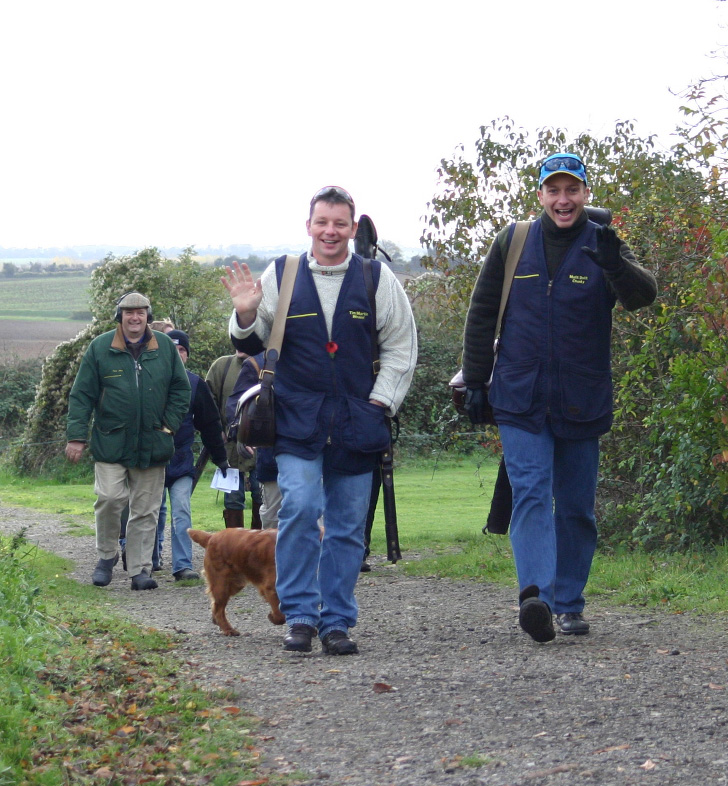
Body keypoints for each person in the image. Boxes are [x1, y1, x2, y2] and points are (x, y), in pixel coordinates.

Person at [462, 153, 657, 642]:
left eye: (572, 190)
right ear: (541, 195)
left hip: (581, 396)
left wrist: (616, 265)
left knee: (575, 508)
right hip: (519, 395)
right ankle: (537, 599)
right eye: (554, 190)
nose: (563, 200)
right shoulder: (512, 242)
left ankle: (569, 603)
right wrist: (476, 382)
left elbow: (642, 296)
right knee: (530, 493)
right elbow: (482, 313)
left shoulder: (603, 242)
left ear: (586, 194)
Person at [221, 185, 417, 655]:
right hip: (295, 420)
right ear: (308, 225)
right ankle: (300, 616)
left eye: (339, 223)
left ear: (353, 228)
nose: (330, 231)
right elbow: (250, 342)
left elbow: (401, 346)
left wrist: (380, 402)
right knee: (302, 508)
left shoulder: (376, 279)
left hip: (359, 419)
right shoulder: (282, 274)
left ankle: (337, 621)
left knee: (348, 526)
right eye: (322, 222)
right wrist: (244, 315)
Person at [65, 292, 190, 590]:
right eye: (129, 312)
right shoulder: (100, 347)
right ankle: (106, 556)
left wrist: (168, 426)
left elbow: (181, 390)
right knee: (109, 498)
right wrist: (77, 437)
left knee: (146, 509)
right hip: (111, 441)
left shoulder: (165, 348)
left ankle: (140, 570)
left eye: (141, 312)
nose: (135, 317)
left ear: (148, 316)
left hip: (153, 442)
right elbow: (82, 395)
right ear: (119, 316)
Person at [158, 330, 230, 580]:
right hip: (152, 461)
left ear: (187, 355)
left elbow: (210, 424)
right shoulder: (149, 381)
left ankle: (182, 566)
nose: (178, 354)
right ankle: (149, 561)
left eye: (182, 350)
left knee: (181, 511)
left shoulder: (195, 384)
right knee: (151, 514)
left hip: (181, 462)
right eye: (173, 349)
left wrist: (220, 458)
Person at [205, 339, 262, 529]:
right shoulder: (222, 366)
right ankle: (234, 544)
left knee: (261, 497)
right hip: (230, 448)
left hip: (262, 448)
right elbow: (208, 402)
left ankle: (259, 545)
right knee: (233, 499)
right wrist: (217, 431)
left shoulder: (268, 366)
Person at [225, 349, 281, 529]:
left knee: (312, 516)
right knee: (272, 521)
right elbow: (237, 405)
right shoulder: (258, 364)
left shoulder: (316, 357)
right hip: (271, 456)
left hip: (311, 451)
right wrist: (240, 433)